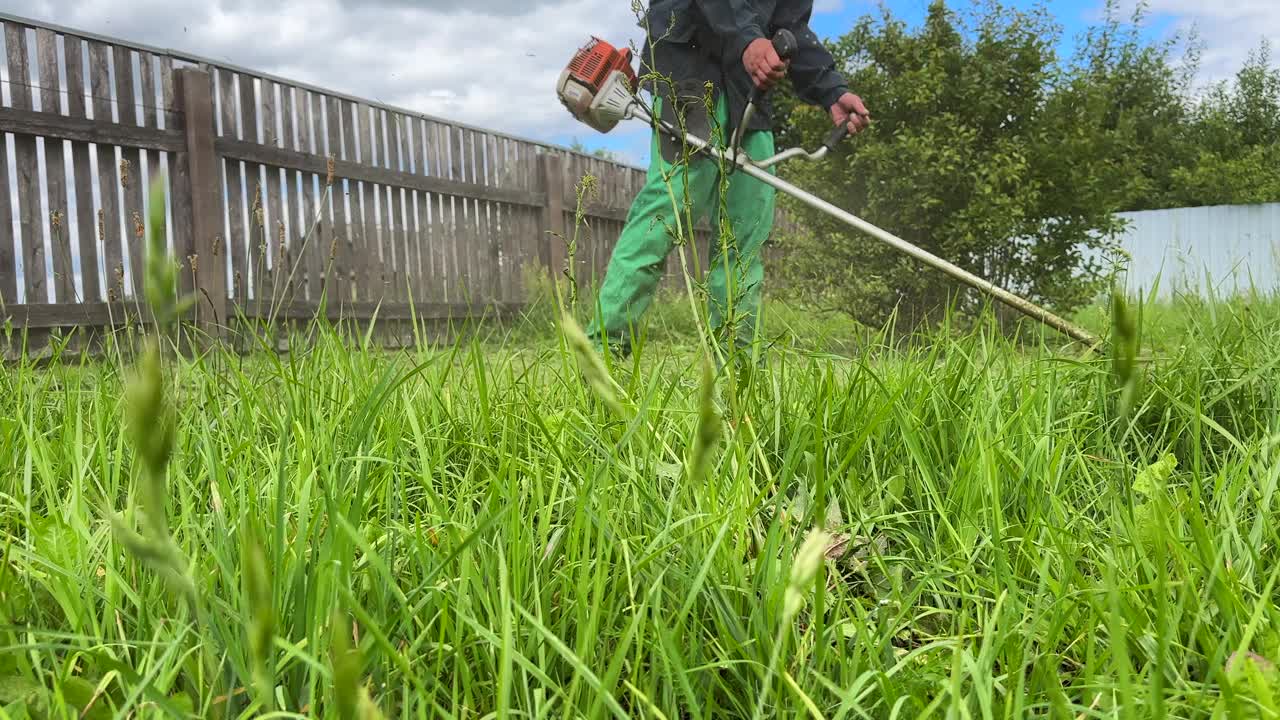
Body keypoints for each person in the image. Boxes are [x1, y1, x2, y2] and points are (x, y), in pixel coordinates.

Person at [585, 0, 870, 362]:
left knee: (745, 237)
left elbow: (792, 27)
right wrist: (748, 40)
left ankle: (738, 372)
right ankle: (600, 357)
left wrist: (831, 89)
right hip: (690, 77)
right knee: (664, 215)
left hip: (749, 98)